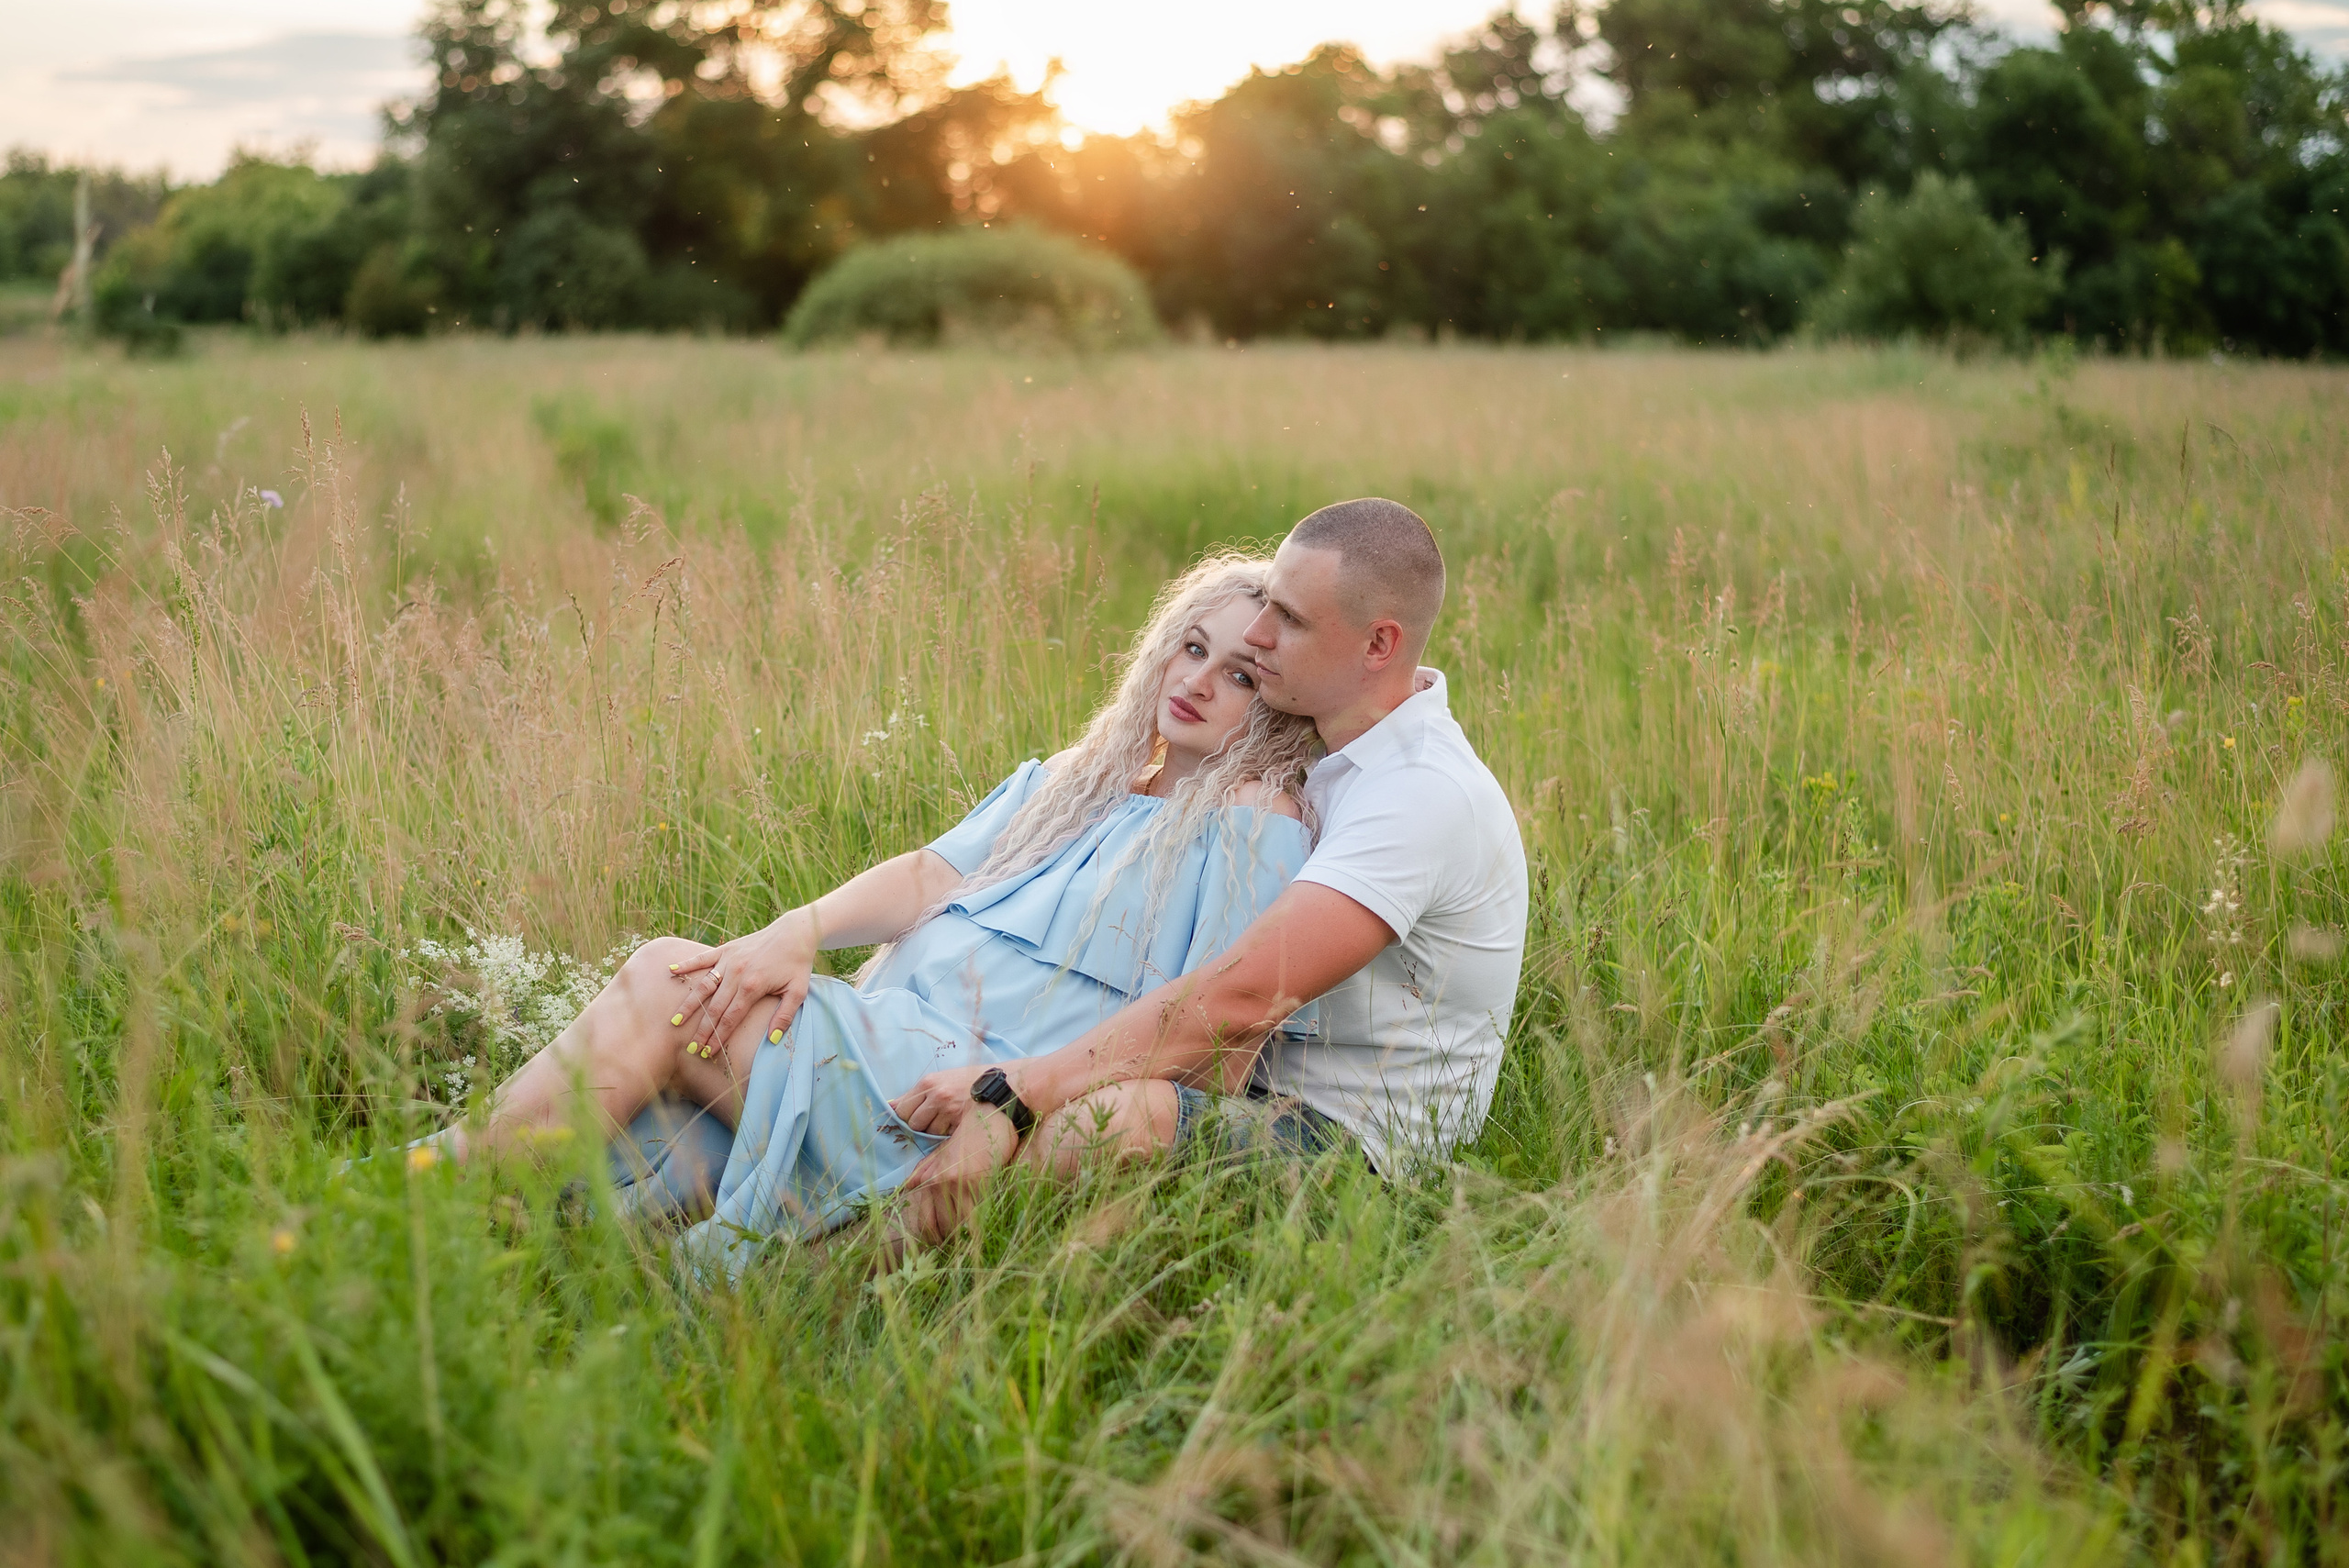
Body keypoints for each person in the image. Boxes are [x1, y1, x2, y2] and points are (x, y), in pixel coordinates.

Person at [434, 553, 1322, 1272]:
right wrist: (796, 931)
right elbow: (928, 874)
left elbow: (1214, 1033)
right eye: (1191, 647)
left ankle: (428, 1182)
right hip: (885, 1030)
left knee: (669, 978)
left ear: (1277, 703)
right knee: (640, 1153)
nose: (1200, 681)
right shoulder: (1073, 781)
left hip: (954, 1092)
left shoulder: (1254, 822)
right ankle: (462, 1212)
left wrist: (1013, 1099)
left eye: (1241, 674)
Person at [884, 498, 1529, 1242]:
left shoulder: (1419, 794)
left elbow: (1245, 997)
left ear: (1379, 643)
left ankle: (855, 1276)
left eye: (1288, 618)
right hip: (1242, 1085)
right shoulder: (1328, 755)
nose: (1258, 636)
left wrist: (1017, 1090)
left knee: (1105, 1117)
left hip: (1343, 1147)